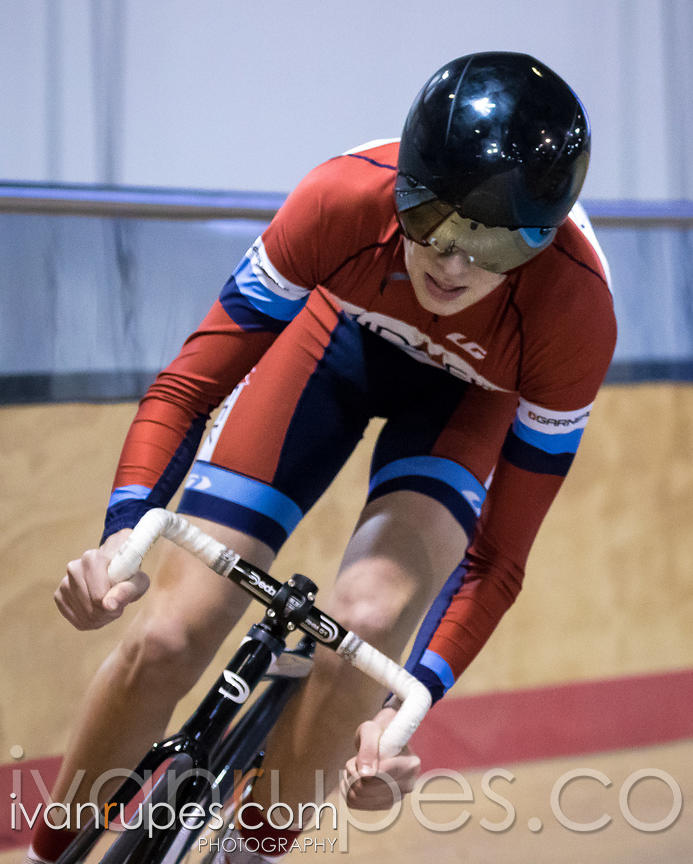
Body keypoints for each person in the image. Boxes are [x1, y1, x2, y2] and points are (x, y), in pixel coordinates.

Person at [27, 51, 616, 863]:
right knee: (166, 637)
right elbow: (187, 390)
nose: (451, 265)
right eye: (432, 220)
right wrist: (120, 537)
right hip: (333, 344)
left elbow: (496, 562)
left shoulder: (573, 313)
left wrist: (399, 714)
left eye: (492, 245)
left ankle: (247, 851)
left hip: (465, 402)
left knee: (368, 623)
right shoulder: (341, 199)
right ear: (402, 185)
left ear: (542, 242)